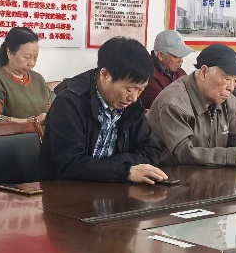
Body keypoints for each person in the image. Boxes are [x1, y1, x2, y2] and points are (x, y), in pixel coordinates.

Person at [38, 36, 167, 183]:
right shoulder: (70, 101)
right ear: (105, 75)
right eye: (129, 89)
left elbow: (152, 152)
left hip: (113, 188)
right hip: (65, 190)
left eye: (141, 89)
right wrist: (124, 171)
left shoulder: (132, 104)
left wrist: (115, 168)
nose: (134, 97)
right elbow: (68, 164)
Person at [147, 44, 236, 167]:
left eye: (235, 81)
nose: (231, 88)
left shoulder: (228, 101)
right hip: (170, 178)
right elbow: (183, 153)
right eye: (227, 79)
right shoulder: (174, 103)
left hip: (212, 177)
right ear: (204, 72)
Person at [0, 26, 53, 125]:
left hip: (44, 133)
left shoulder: (38, 78)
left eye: (35, 57)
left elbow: (50, 110)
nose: (32, 63)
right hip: (13, 134)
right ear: (10, 53)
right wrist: (29, 122)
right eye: (27, 57)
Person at [140, 29, 193, 109]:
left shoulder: (180, 72)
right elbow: (168, 107)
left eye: (182, 56)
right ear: (161, 56)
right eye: (176, 56)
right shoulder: (147, 75)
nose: (181, 60)